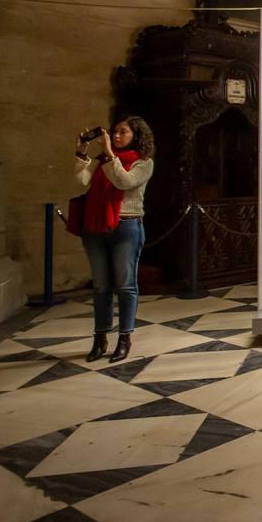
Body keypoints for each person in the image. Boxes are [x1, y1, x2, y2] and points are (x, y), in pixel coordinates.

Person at [73, 117, 156, 363]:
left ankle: (124, 337)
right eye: (115, 132)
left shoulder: (143, 163)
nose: (117, 135)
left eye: (123, 132)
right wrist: (82, 152)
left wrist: (110, 153)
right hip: (95, 227)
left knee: (125, 284)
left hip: (126, 226)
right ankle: (100, 338)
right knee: (101, 286)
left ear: (136, 136)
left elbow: (124, 181)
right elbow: (81, 181)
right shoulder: (101, 162)